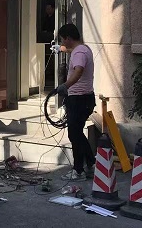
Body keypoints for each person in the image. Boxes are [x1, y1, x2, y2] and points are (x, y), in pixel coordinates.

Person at [53, 24, 95, 181]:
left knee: (74, 134)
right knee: (77, 133)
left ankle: (78, 171)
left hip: (79, 99)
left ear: (68, 38)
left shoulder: (79, 53)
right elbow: (72, 51)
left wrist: (65, 86)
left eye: (63, 40)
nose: (63, 42)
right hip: (85, 99)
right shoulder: (83, 49)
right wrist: (61, 49)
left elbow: (78, 70)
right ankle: (90, 164)